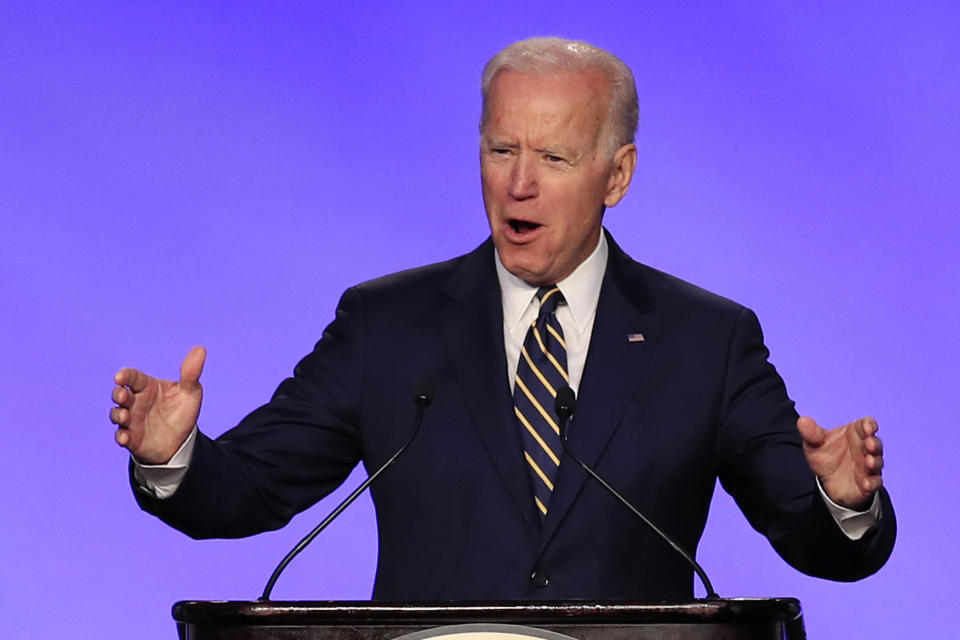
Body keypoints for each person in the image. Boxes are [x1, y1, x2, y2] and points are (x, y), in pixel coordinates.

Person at [110, 37, 894, 601]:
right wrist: (173, 454)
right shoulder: (387, 323)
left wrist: (844, 501)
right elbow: (249, 489)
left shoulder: (707, 340)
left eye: (553, 159)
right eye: (500, 150)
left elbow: (814, 534)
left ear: (615, 175)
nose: (518, 185)